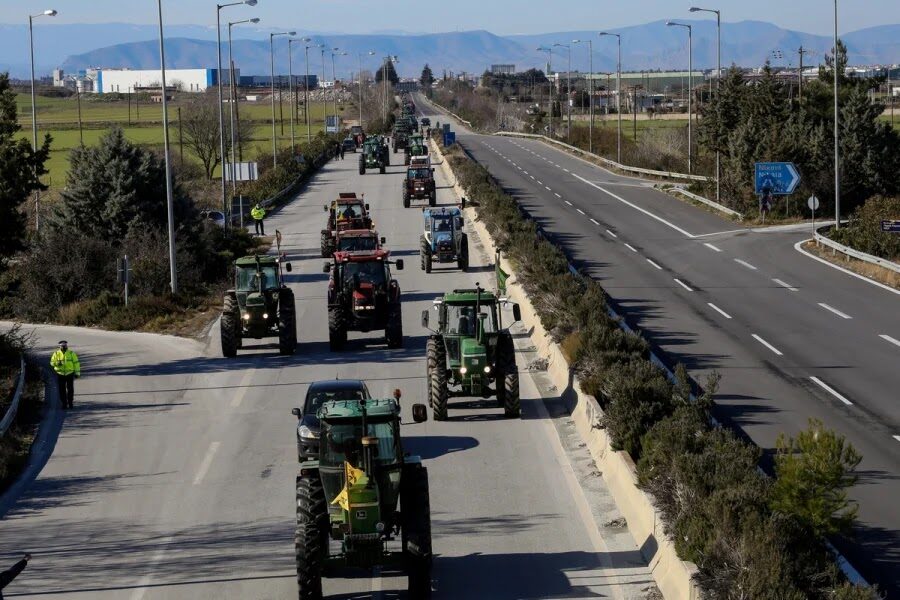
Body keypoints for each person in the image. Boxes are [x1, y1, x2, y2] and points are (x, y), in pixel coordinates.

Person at [50, 341, 80, 409]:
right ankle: (64, 403)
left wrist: (77, 373)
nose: (63, 347)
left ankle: (70, 403)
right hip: (60, 374)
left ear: (67, 346)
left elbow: (76, 363)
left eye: (64, 345)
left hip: (69, 373)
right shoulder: (56, 353)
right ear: (59, 346)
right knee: (62, 390)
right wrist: (57, 363)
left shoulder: (71, 353)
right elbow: (51, 363)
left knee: (70, 389)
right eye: (62, 346)